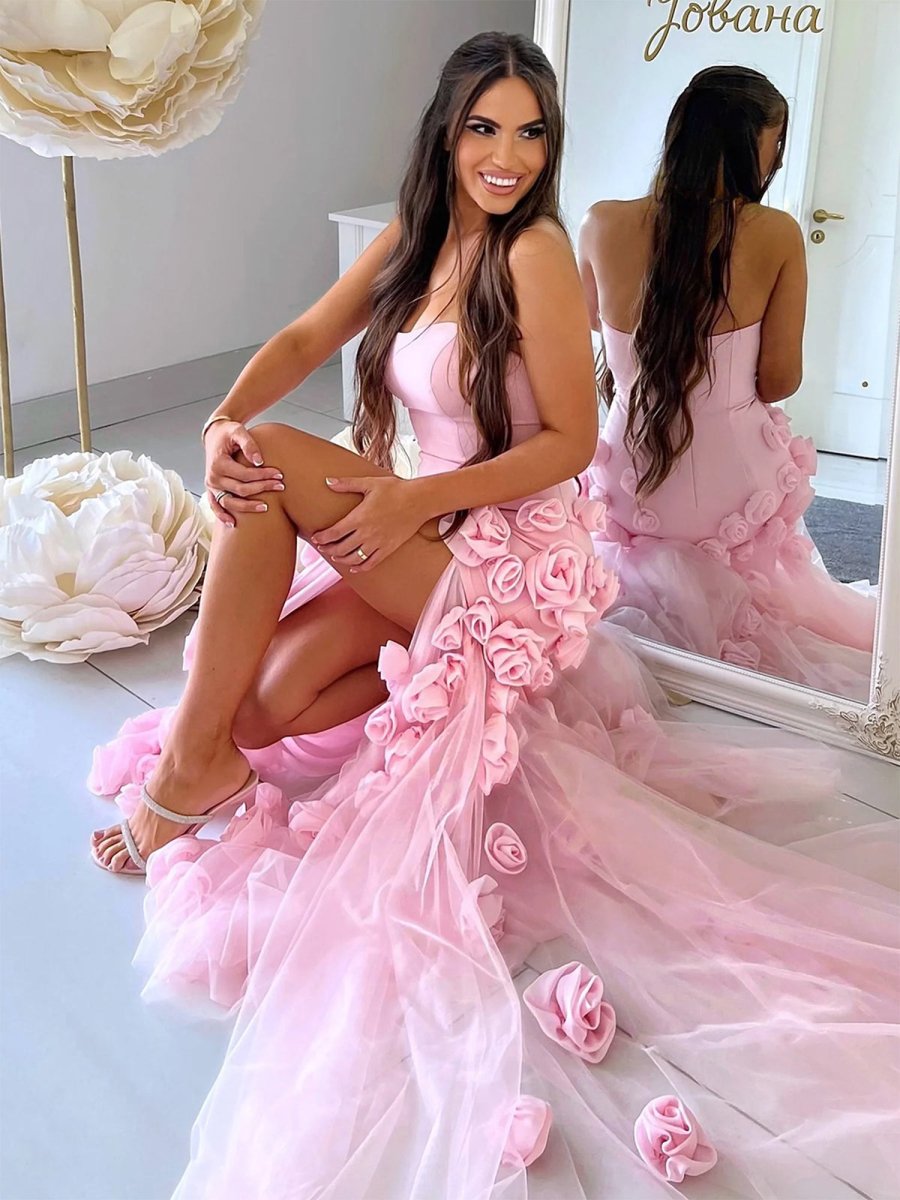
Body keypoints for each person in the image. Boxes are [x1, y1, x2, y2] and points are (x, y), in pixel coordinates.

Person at [88, 36, 898, 1200]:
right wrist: (216, 420)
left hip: (506, 543)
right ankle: (262, 732)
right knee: (263, 701)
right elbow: (308, 338)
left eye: (530, 133)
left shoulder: (539, 254)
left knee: (269, 463)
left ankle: (186, 769)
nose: (507, 156)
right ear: (448, 132)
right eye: (484, 128)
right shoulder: (418, 240)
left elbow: (569, 443)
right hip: (424, 525)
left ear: (548, 147)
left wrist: (413, 497)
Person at [578, 65, 876, 699]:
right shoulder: (775, 233)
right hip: (729, 491)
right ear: (749, 145)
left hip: (632, 479)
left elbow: (587, 331)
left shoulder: (601, 223)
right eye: (775, 142)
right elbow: (778, 381)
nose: (776, 159)